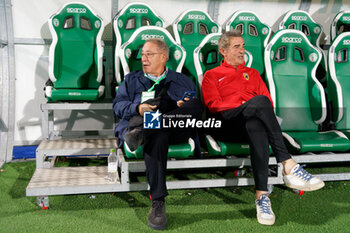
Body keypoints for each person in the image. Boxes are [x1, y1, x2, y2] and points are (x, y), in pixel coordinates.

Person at [201, 30, 325, 226]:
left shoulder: (253, 74)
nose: (242, 50)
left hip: (249, 124)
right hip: (226, 124)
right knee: (257, 102)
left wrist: (250, 107)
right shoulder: (212, 75)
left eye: (243, 46)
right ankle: (288, 164)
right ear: (223, 51)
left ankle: (261, 196)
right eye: (237, 47)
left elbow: (268, 103)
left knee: (256, 124)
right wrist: (243, 103)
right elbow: (214, 105)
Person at [113, 38, 202, 230]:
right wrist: (138, 108)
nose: (143, 59)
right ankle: (158, 202)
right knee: (157, 133)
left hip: (176, 127)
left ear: (163, 57)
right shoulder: (131, 80)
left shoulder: (182, 79)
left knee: (195, 105)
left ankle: (145, 130)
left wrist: (183, 105)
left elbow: (191, 104)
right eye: (142, 55)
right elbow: (118, 106)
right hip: (152, 128)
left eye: (149, 54)